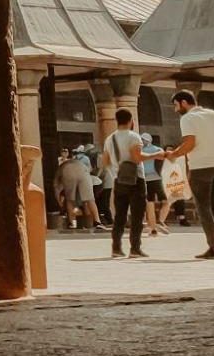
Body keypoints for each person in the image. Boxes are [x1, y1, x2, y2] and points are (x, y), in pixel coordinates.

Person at [161, 90, 214, 260]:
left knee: (204, 207)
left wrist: (174, 154)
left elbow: (190, 143)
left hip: (202, 166)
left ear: (184, 102)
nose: (176, 109)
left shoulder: (187, 118)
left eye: (176, 105)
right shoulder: (212, 113)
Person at [99, 108, 147, 259]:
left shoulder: (109, 139)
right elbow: (137, 158)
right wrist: (156, 154)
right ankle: (135, 248)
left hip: (118, 180)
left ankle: (116, 248)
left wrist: (116, 170)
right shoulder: (134, 137)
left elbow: (105, 161)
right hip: (136, 179)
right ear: (131, 120)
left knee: (120, 215)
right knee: (137, 214)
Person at [54, 147, 104, 231]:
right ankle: (97, 221)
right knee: (90, 200)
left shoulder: (60, 171)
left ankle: (71, 223)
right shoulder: (81, 162)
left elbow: (56, 189)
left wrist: (59, 203)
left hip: (68, 172)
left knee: (70, 200)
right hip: (83, 172)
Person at [139, 132, 170, 236]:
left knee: (151, 203)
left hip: (150, 179)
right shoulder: (157, 150)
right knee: (158, 202)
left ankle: (155, 225)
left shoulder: (143, 150)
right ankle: (156, 225)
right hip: (153, 179)